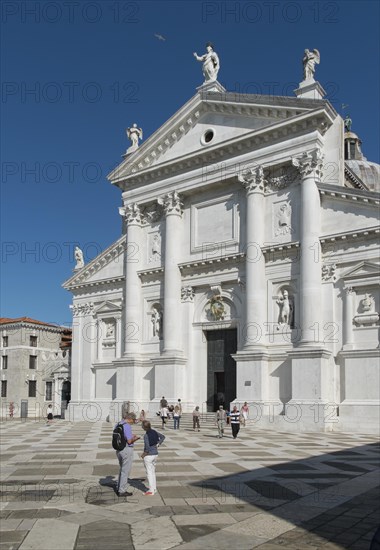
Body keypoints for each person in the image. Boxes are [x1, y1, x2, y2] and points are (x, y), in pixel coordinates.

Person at [115, 411, 140, 497]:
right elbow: (129, 441)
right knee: (125, 471)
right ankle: (122, 490)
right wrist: (136, 438)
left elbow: (121, 436)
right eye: (133, 420)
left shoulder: (119, 424)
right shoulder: (127, 426)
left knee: (122, 469)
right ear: (130, 419)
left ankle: (119, 486)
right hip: (126, 450)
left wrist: (130, 436)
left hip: (118, 450)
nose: (133, 422)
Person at [140, 420, 165, 496]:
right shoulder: (154, 431)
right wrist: (158, 444)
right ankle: (154, 488)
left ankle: (151, 490)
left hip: (149, 456)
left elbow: (147, 448)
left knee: (149, 473)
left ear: (144, 427)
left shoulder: (146, 436)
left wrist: (143, 455)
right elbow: (163, 437)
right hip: (155, 454)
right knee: (153, 472)